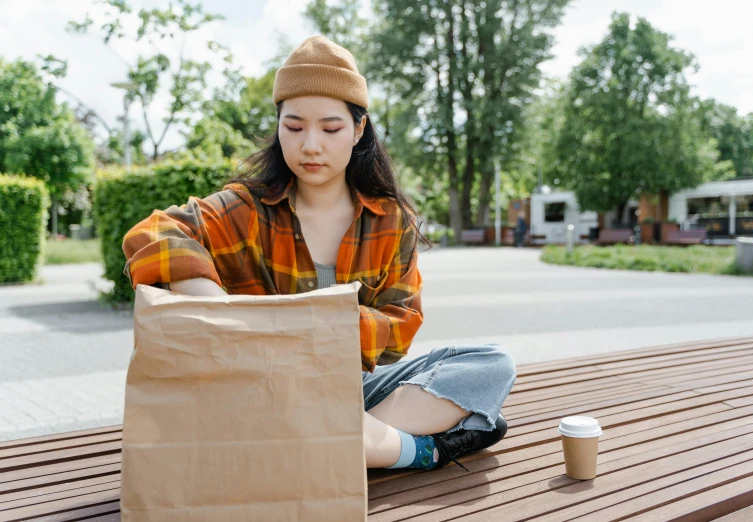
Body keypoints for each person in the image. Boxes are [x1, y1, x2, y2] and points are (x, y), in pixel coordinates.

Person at [122, 36, 516, 472]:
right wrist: (222, 310)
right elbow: (153, 233)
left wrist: (304, 325)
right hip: (261, 391)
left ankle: (315, 445)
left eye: (330, 129)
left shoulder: (390, 219)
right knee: (481, 416)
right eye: (294, 127)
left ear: (358, 129)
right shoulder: (245, 208)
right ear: (278, 126)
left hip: (349, 388)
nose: (311, 145)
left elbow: (400, 329)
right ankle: (409, 450)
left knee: (490, 365)